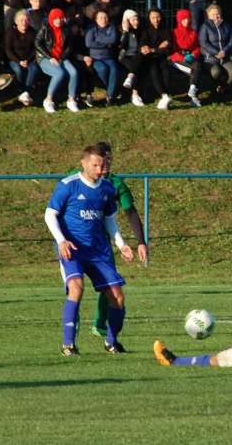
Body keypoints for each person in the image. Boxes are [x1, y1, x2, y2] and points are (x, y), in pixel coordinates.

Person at [44, 143, 137, 355]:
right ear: (84, 163)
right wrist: (61, 241)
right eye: (95, 165)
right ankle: (68, 345)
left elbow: (109, 220)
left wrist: (121, 244)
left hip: (98, 251)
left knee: (117, 296)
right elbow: (49, 214)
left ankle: (111, 343)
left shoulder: (107, 188)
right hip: (73, 248)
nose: (99, 169)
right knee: (76, 287)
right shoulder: (68, 185)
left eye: (102, 165)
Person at [87, 142, 149, 336]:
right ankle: (70, 334)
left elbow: (130, 211)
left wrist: (140, 242)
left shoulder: (116, 183)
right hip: (76, 241)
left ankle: (100, 324)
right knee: (74, 287)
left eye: (109, 160)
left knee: (109, 284)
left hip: (102, 243)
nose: (105, 165)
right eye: (102, 160)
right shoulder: (77, 176)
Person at [34, 8, 80, 113]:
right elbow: (37, 43)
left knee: (74, 72)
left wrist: (61, 58)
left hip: (61, 57)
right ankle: (48, 100)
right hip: (45, 57)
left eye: (60, 18)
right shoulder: (45, 28)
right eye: (55, 18)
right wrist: (50, 57)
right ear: (51, 19)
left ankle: (71, 100)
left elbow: (69, 46)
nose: (58, 20)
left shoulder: (66, 29)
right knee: (59, 73)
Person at [198, 4, 232, 102]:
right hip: (210, 58)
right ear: (208, 15)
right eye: (213, 14)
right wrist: (216, 52)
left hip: (225, 57)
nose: (216, 16)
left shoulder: (227, 26)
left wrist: (225, 51)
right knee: (216, 72)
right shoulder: (205, 26)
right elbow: (204, 43)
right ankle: (215, 91)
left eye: (218, 14)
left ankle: (221, 87)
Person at [138, 8, 172, 109]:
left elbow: (168, 49)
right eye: (153, 17)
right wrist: (158, 48)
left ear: (161, 17)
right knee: (154, 71)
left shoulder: (166, 30)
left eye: (158, 17)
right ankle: (164, 96)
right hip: (149, 59)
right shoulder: (145, 30)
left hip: (161, 57)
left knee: (166, 71)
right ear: (149, 18)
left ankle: (166, 95)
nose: (156, 20)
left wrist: (153, 49)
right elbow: (143, 47)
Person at [4, 9, 39, 106]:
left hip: (29, 59)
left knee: (34, 69)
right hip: (14, 59)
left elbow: (35, 49)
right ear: (16, 21)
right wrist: (19, 61)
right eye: (21, 20)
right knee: (19, 70)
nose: (24, 22)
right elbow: (8, 50)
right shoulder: (10, 32)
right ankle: (22, 91)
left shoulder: (33, 32)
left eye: (26, 20)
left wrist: (28, 60)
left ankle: (26, 92)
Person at [85, 10, 121, 105]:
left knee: (114, 69)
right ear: (96, 19)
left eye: (105, 17)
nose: (103, 20)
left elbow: (113, 40)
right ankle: (112, 90)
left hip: (109, 57)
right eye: (100, 17)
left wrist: (97, 41)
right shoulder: (91, 30)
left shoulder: (112, 28)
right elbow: (88, 43)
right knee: (102, 69)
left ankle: (109, 96)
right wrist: (106, 44)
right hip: (95, 58)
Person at [169, 9, 201, 107]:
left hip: (190, 58)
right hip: (177, 61)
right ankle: (194, 98)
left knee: (197, 65)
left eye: (188, 19)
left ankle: (192, 88)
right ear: (179, 20)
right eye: (183, 19)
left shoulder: (193, 32)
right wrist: (182, 58)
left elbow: (197, 47)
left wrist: (193, 55)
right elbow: (171, 51)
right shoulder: (174, 33)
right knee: (194, 71)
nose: (186, 21)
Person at [118, 10, 149, 107]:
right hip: (123, 57)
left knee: (138, 60)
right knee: (136, 67)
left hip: (136, 56)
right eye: (133, 20)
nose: (136, 22)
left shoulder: (139, 31)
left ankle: (131, 80)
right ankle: (135, 95)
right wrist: (126, 31)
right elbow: (121, 46)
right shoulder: (120, 30)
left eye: (137, 19)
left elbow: (141, 45)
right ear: (127, 21)